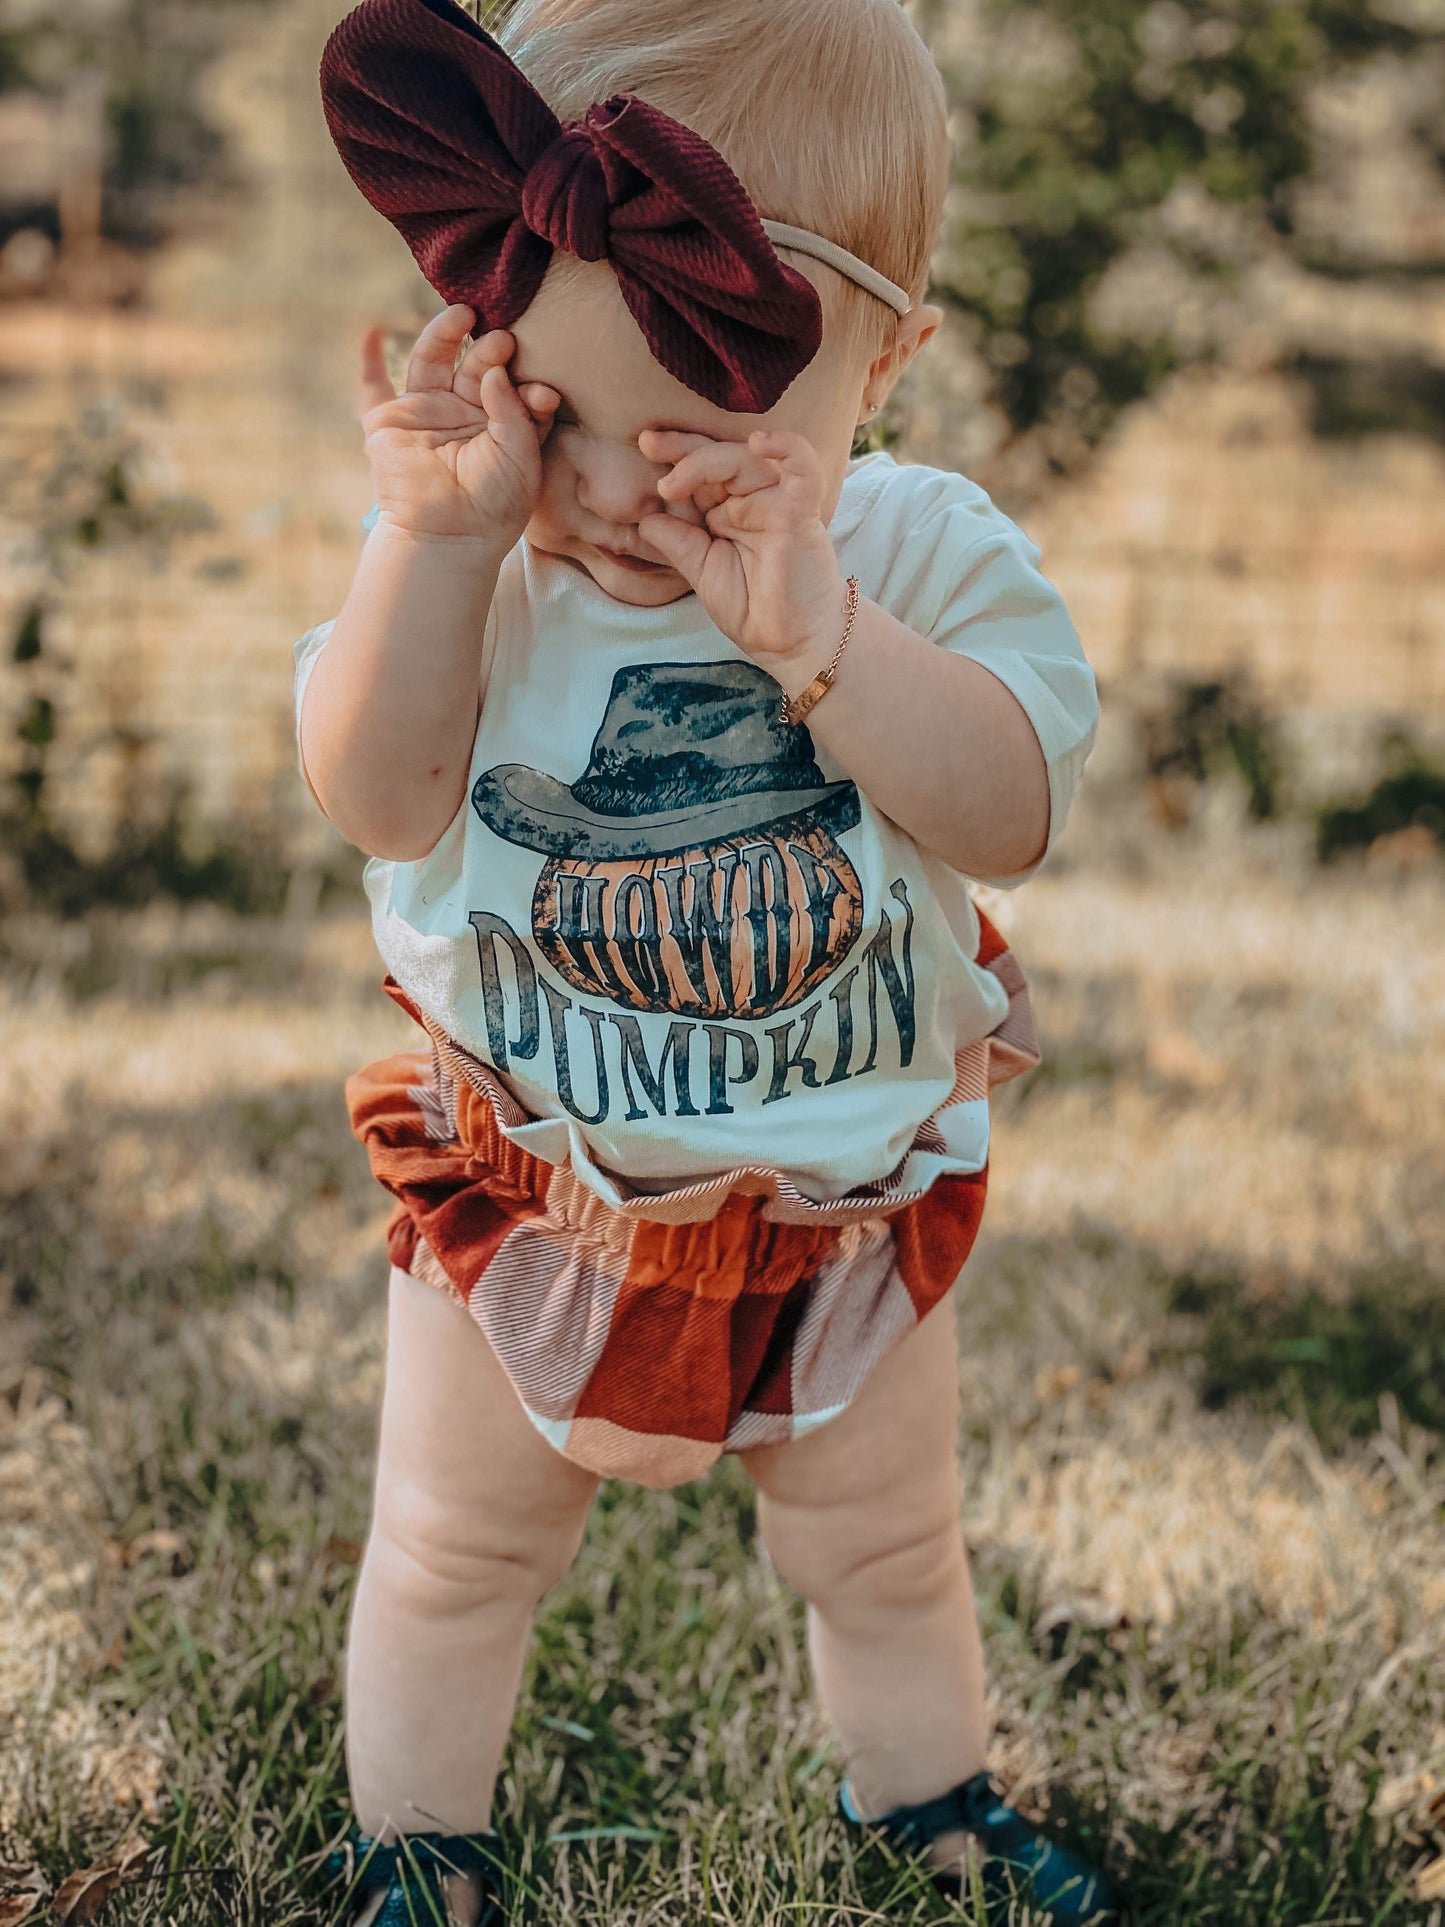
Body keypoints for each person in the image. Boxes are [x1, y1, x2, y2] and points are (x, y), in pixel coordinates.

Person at [295, 0, 1122, 1920]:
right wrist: (429, 547)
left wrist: (820, 638)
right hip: (532, 1188)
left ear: (887, 370)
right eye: (566, 420)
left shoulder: (914, 556)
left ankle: (925, 1806)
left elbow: (1008, 809)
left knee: (891, 1551)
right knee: (447, 1551)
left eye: (707, 459)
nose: (611, 501)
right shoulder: (475, 547)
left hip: (843, 1212)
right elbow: (381, 798)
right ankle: (423, 1848)